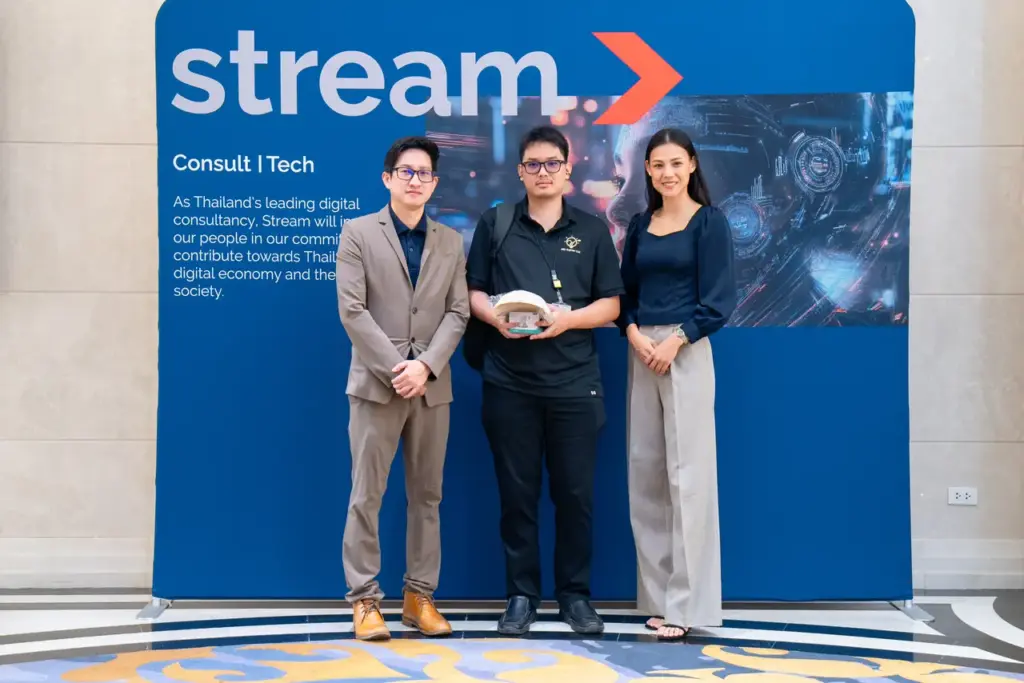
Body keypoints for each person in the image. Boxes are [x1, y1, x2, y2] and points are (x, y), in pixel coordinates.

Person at [465, 125, 625, 636]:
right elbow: (473, 292)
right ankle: (521, 596)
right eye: (532, 164)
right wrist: (496, 318)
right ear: (520, 171)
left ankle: (575, 596)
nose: (542, 172)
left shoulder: (592, 230)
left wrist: (567, 319)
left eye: (552, 163)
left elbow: (612, 305)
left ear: (567, 169)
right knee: (517, 497)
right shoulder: (496, 224)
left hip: (576, 383)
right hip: (509, 382)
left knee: (576, 496)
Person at [335, 135, 470, 641]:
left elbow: (458, 312)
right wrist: (400, 368)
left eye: (424, 174)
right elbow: (352, 310)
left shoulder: (450, 241)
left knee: (427, 497)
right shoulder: (357, 233)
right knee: (366, 495)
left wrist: (426, 366)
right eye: (406, 172)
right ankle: (365, 600)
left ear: (434, 183)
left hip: (432, 388)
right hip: (378, 385)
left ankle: (419, 597)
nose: (416, 180)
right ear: (387, 178)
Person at [617, 127, 737, 641]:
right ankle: (659, 597)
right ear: (647, 170)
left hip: (685, 351)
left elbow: (719, 301)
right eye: (658, 164)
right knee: (645, 475)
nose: (667, 173)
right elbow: (624, 294)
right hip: (642, 351)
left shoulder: (710, 222)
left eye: (676, 163)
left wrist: (676, 340)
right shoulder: (640, 226)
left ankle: (688, 605)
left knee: (689, 477)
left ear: (692, 165)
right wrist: (633, 334)